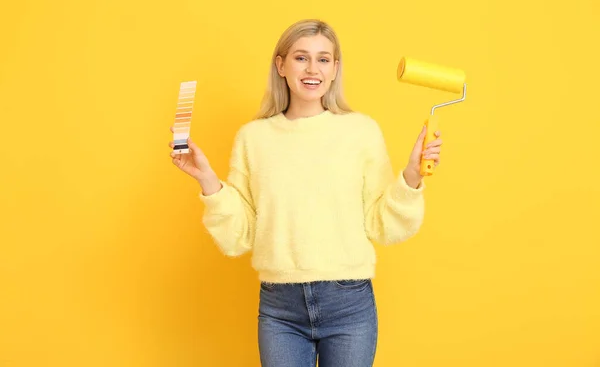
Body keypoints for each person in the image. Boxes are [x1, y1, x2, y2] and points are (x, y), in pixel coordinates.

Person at [169, 19, 442, 367]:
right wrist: (207, 179)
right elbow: (240, 236)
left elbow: (381, 225)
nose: (313, 69)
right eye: (301, 58)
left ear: (335, 68)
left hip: (349, 305)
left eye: (324, 59)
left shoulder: (360, 132)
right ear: (281, 65)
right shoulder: (254, 138)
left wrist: (412, 176)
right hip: (280, 309)